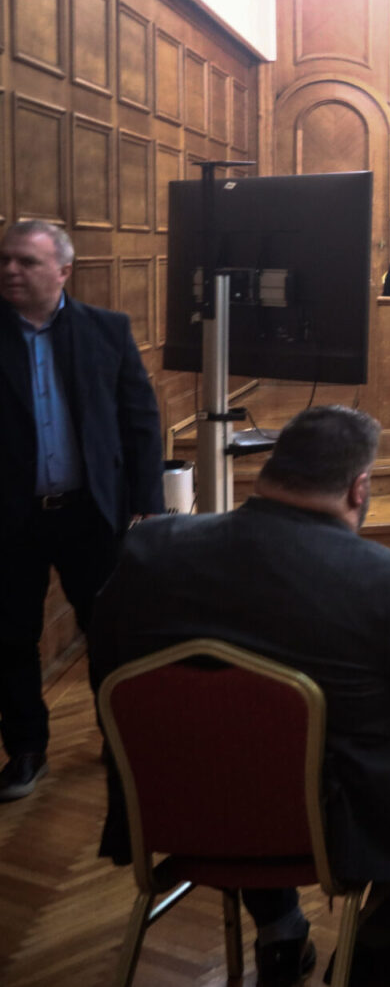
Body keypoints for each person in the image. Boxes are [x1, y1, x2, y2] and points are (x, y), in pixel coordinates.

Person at [91, 406, 390, 986]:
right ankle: (375, 931)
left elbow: (107, 675)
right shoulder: (389, 582)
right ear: (359, 488)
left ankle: (278, 930)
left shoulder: (147, 551)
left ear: (272, 469)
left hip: (174, 802)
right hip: (332, 824)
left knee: (240, 745)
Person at [0, 220, 164, 802]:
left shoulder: (106, 330)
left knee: (109, 631)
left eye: (26, 261)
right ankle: (26, 750)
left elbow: (140, 419)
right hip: (11, 518)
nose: (11, 270)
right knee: (11, 638)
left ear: (63, 271)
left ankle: (117, 736)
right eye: (5, 259)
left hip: (89, 512)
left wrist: (147, 505)